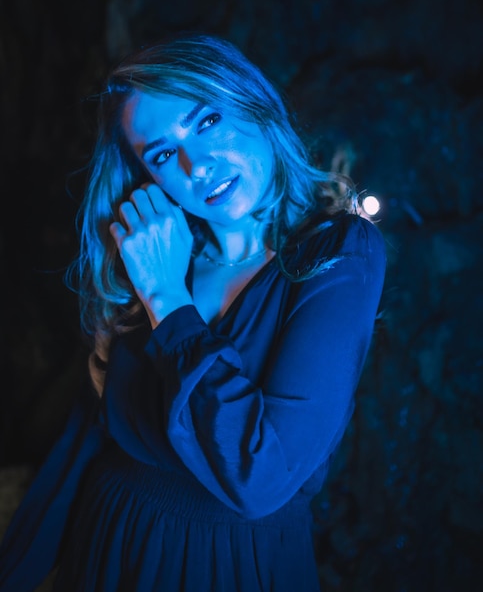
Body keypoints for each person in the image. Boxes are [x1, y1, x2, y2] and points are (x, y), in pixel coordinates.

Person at [0, 33, 386, 592]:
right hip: (109, 545)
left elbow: (261, 478)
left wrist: (169, 302)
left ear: (253, 102)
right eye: (160, 154)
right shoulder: (157, 250)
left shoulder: (339, 252)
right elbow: (89, 442)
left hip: (232, 563)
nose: (195, 165)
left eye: (206, 122)